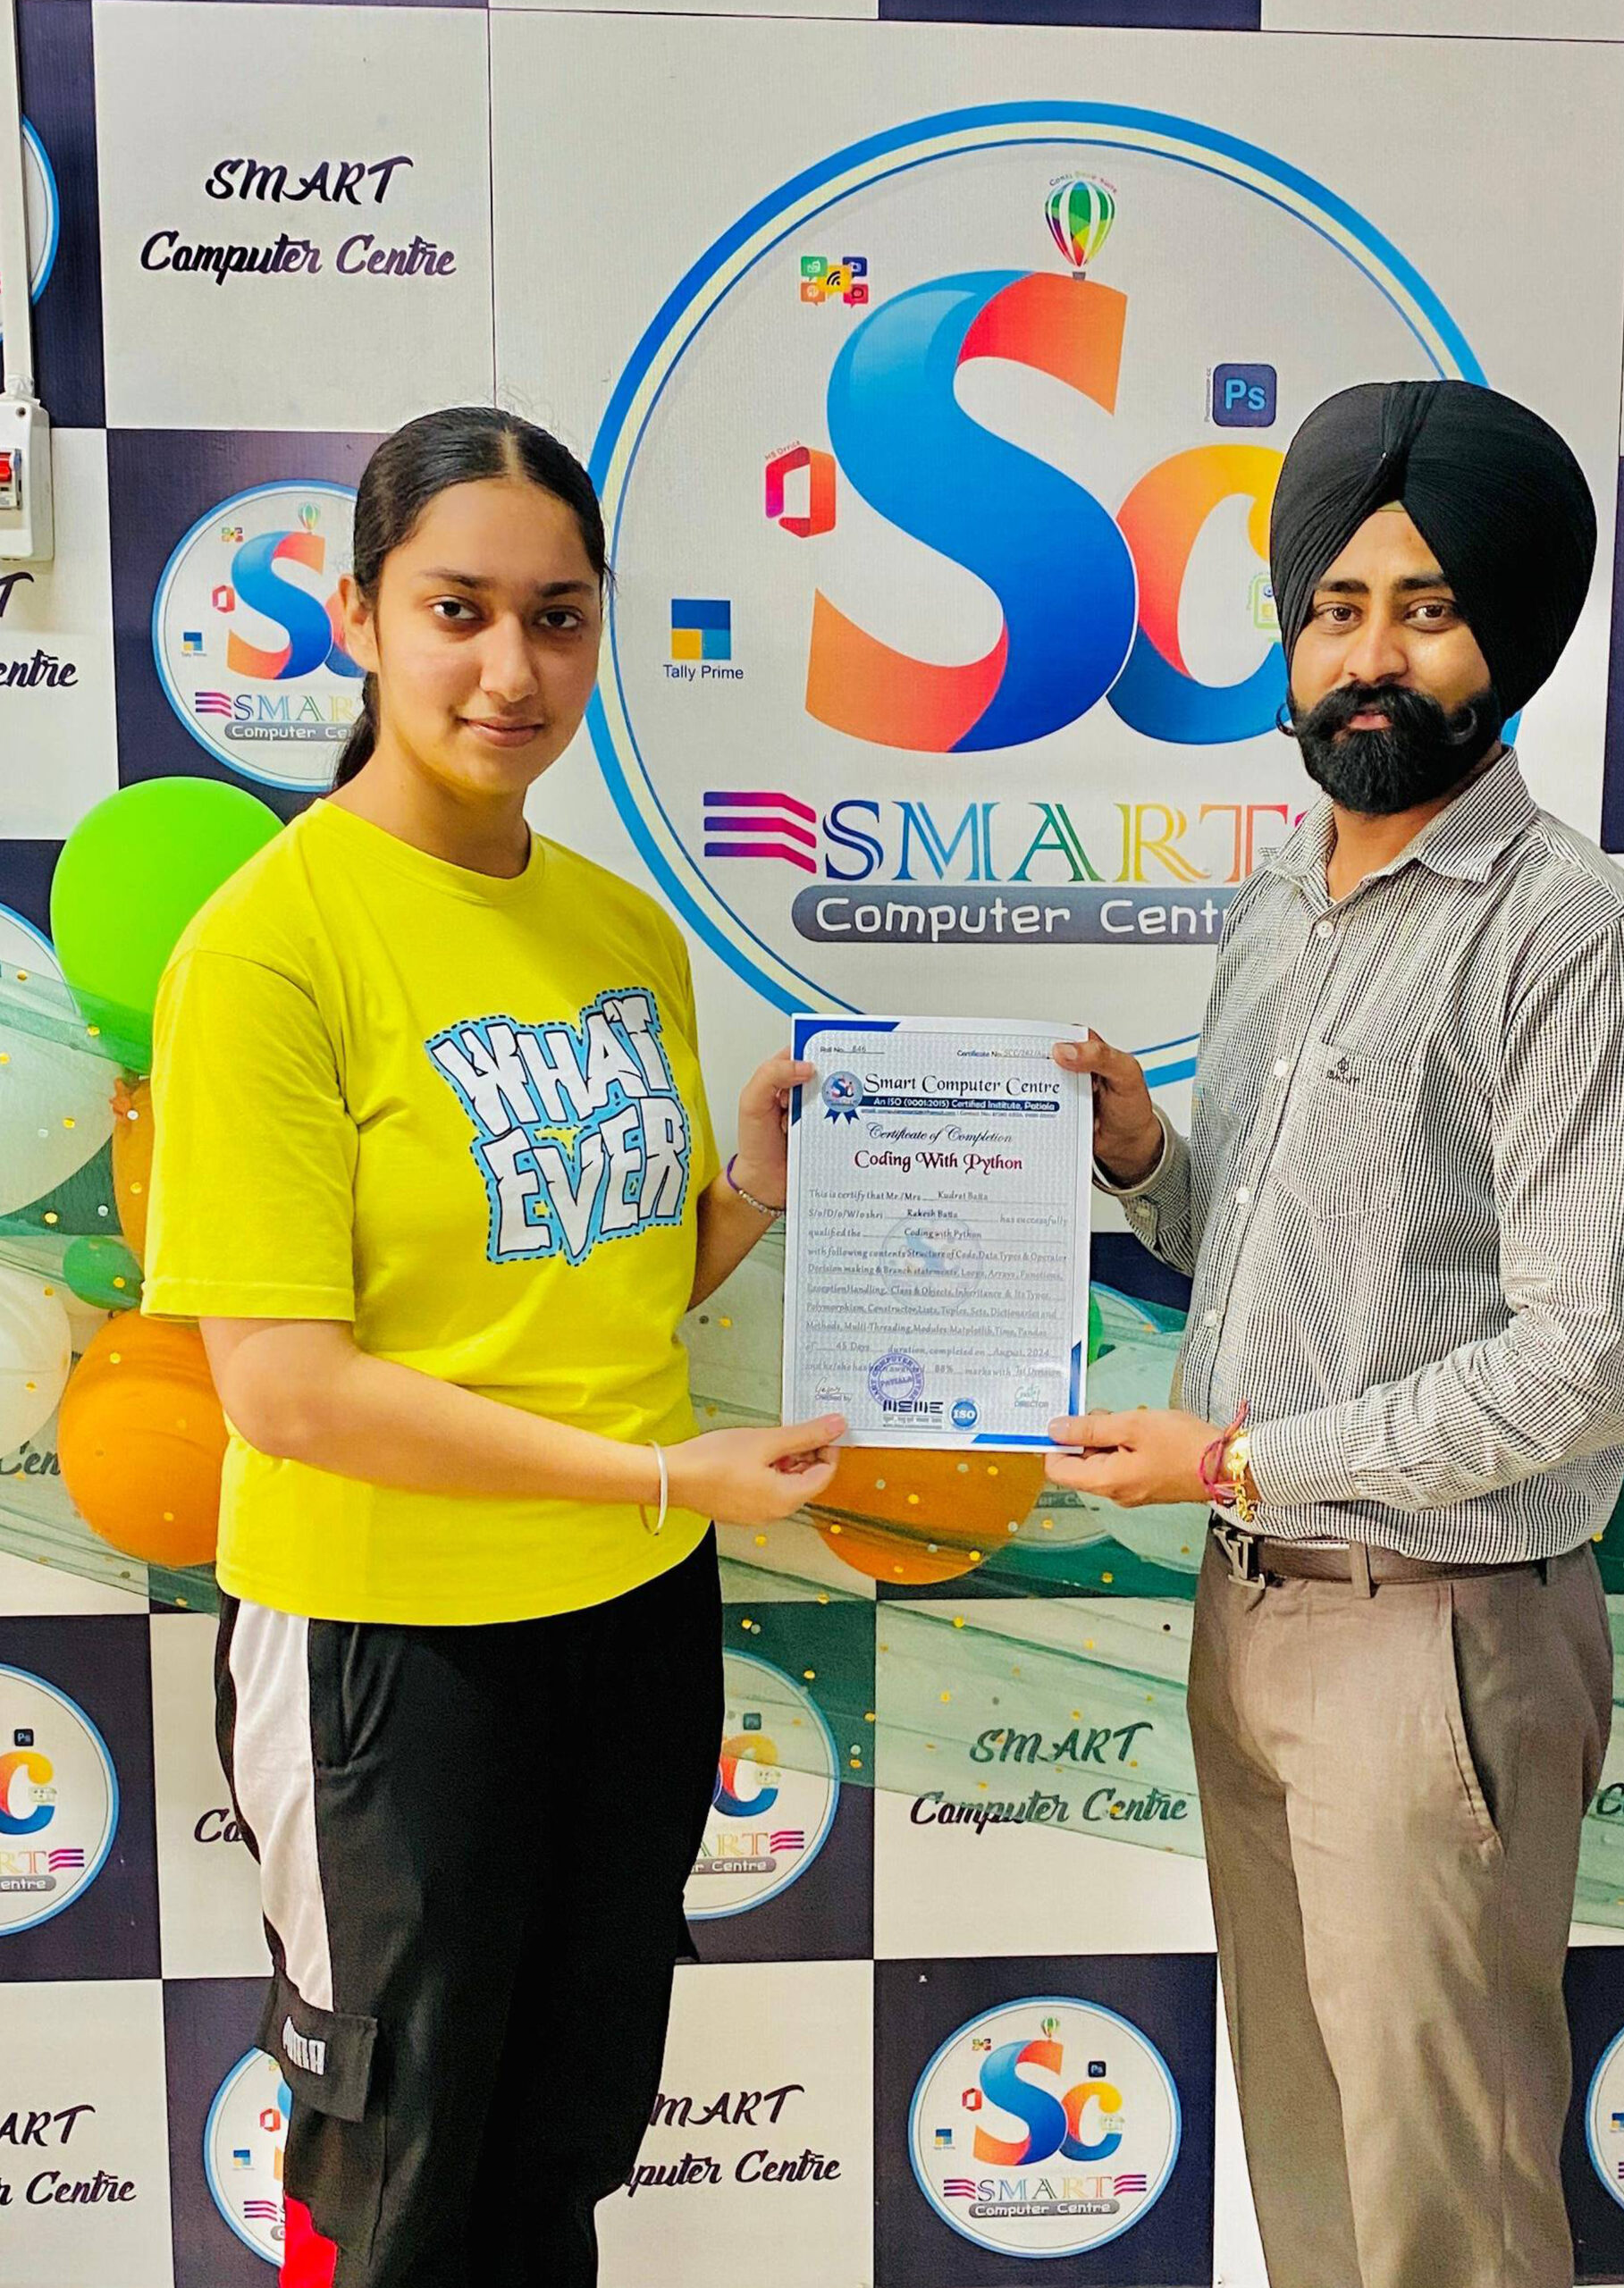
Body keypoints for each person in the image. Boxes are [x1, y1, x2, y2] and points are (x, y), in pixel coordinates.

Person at [142, 406, 844, 2288]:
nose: (511, 669)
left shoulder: (621, 930)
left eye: (558, 616)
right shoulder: (269, 945)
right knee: (402, 2177)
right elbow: (284, 1386)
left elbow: (584, 1298)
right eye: (457, 609)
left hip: (626, 1619)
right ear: (358, 614)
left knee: (561, 2142)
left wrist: (745, 1194)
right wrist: (661, 1477)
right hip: (393, 1646)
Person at [1045, 379, 1624, 2288]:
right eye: (1334, 608)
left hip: (1439, 1639)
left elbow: (1594, 1356)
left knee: (1446, 2200)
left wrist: (1237, 1458)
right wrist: (1148, 1160)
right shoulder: (1283, 905)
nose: (1370, 657)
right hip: (1251, 1612)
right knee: (1315, 2165)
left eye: (1426, 610)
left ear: (1511, 643)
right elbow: (1297, 1262)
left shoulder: (1570, 937)